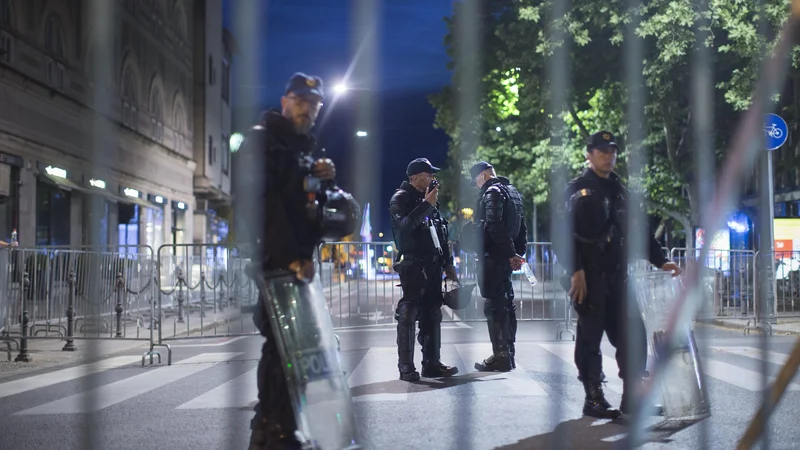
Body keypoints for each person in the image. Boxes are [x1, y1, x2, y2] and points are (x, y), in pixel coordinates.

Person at [232, 72, 337, 450]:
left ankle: (287, 423)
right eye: (302, 102)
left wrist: (325, 178)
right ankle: (271, 429)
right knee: (279, 347)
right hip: (278, 263)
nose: (308, 110)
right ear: (285, 101)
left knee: (297, 348)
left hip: (297, 263)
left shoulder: (302, 147)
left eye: (315, 105)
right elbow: (262, 205)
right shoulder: (263, 142)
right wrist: (290, 258)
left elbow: (307, 205)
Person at [556, 130, 681, 419]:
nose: (609, 155)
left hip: (619, 276)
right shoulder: (576, 190)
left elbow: (640, 231)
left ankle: (633, 398)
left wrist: (661, 260)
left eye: (612, 151)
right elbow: (561, 236)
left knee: (633, 335)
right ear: (589, 155)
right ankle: (594, 398)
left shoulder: (621, 190)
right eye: (602, 151)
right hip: (589, 277)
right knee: (590, 338)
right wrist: (576, 271)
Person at [389, 158, 459, 381]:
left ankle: (432, 363)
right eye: (429, 174)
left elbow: (441, 234)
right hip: (413, 264)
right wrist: (426, 204)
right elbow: (404, 228)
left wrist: (449, 265)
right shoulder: (401, 198)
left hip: (433, 264)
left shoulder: (429, 199)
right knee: (409, 312)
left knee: (433, 313)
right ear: (415, 177)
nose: (433, 178)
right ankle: (406, 367)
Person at [462, 162, 526, 372]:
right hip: (506, 259)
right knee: (507, 304)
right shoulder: (513, 192)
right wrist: (517, 254)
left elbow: (494, 226)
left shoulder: (491, 192)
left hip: (494, 257)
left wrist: (510, 254)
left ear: (482, 176)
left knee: (494, 305)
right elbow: (522, 227)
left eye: (476, 181)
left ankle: (501, 356)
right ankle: (509, 353)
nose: (477, 185)